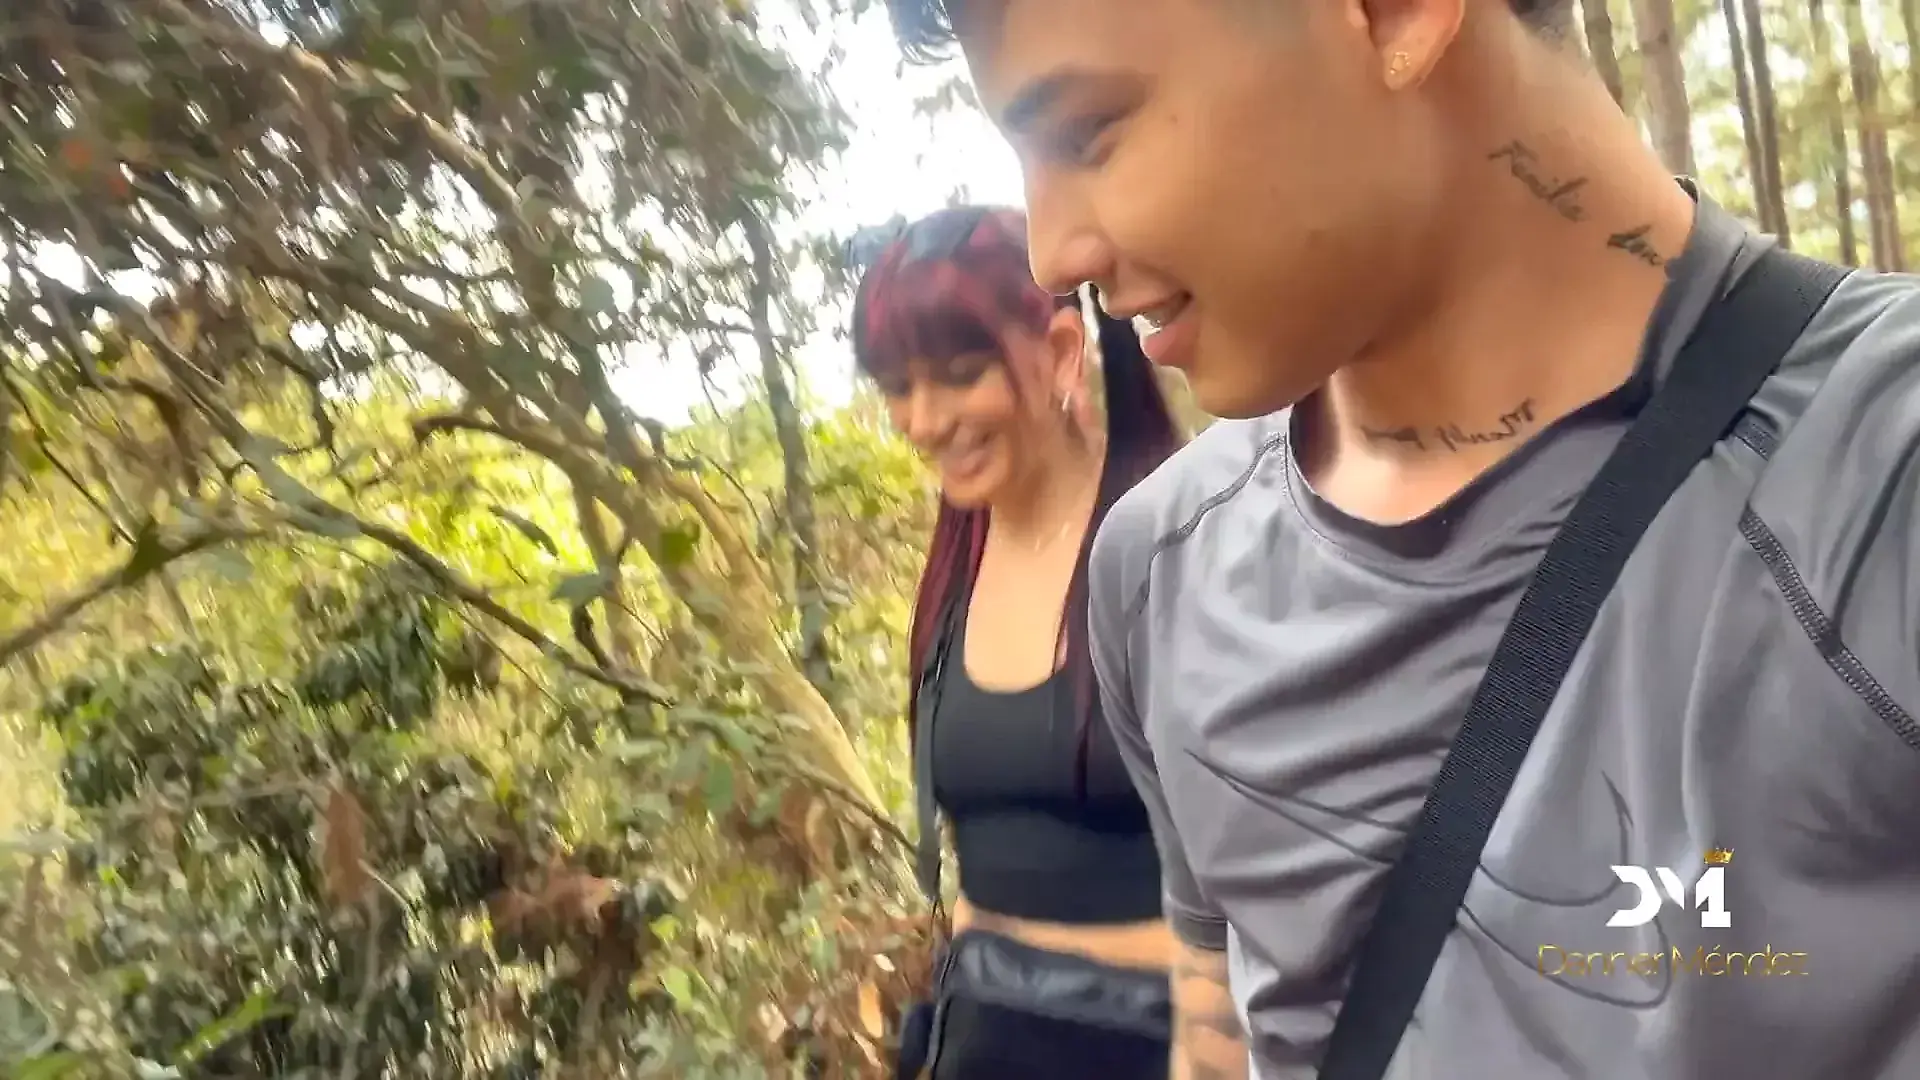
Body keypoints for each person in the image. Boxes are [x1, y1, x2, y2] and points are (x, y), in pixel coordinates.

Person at [880, 3, 1920, 1080]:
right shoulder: (1161, 567)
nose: (1052, 253)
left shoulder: (1879, 477)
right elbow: (1223, 1029)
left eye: (1088, 131)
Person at [851, 206, 1187, 1078]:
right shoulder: (953, 571)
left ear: (1063, 353)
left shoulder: (1175, 542)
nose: (923, 420)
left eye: (961, 375)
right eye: (897, 387)